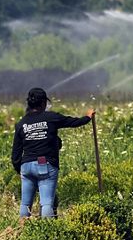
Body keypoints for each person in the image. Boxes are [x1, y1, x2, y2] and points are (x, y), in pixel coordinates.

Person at [11, 87, 94, 219]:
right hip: (45, 164)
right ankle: (48, 234)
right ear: (43, 103)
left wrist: (20, 169)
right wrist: (88, 117)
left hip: (26, 166)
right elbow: (74, 122)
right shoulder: (51, 118)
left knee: (25, 204)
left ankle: (21, 232)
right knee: (47, 204)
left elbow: (15, 154)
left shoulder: (21, 123)